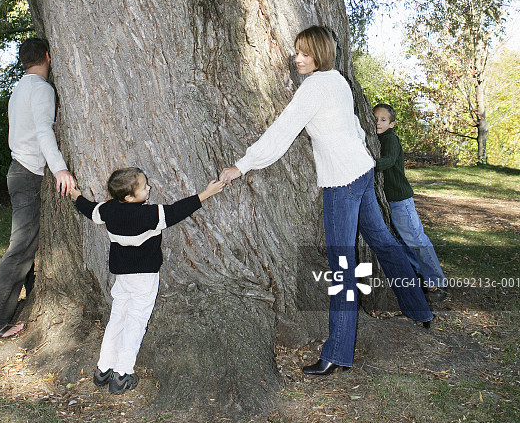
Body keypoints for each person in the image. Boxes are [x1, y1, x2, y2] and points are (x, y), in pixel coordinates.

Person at [220, 25, 432, 377]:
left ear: (320, 54)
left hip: (342, 182)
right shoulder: (337, 80)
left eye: (305, 53)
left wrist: (241, 166)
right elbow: (353, 123)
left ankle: (337, 353)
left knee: (343, 267)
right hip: (361, 172)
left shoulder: (316, 86)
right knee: (383, 242)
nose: (297, 59)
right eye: (297, 52)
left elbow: (282, 131)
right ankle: (420, 310)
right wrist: (361, 147)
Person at [70, 167, 225, 394]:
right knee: (135, 322)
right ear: (129, 197)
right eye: (144, 187)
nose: (149, 188)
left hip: (122, 276)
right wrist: (207, 193)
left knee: (118, 319)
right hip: (144, 277)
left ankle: (103, 368)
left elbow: (90, 210)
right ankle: (122, 374)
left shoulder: (108, 210)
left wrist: (76, 196)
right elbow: (177, 211)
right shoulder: (149, 215)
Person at [0, 38, 75, 341]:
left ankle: (30, 295)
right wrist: (59, 167)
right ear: (48, 56)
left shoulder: (20, 88)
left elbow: (35, 128)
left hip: (19, 171)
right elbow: (43, 129)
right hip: (28, 174)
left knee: (28, 245)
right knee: (20, 249)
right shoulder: (42, 89)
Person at [373, 104, 446, 295]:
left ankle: (437, 281)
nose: (377, 123)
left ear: (391, 124)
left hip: (400, 201)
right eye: (375, 118)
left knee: (416, 239)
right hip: (390, 202)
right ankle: (419, 276)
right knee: (403, 242)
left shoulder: (390, 139)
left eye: (383, 120)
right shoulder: (377, 139)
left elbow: (388, 161)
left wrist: (371, 164)